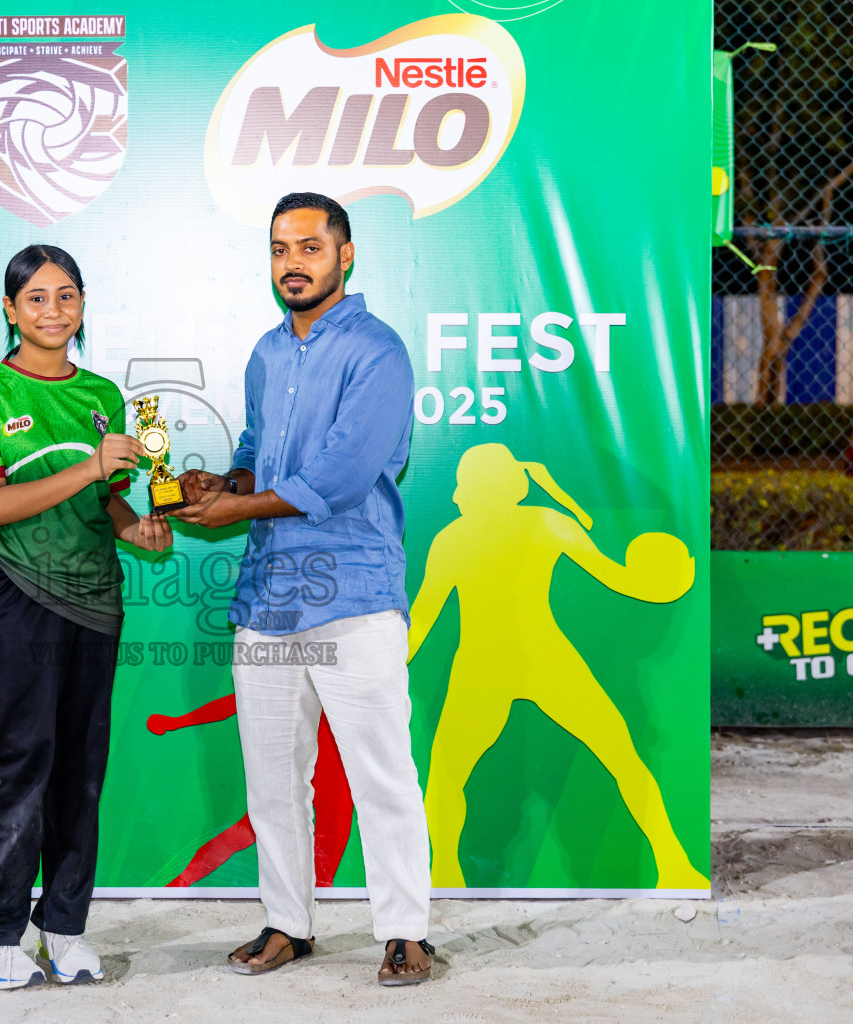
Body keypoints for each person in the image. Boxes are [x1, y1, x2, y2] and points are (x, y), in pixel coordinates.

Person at [174, 193, 434, 985]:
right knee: (272, 776)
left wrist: (235, 507)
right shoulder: (266, 353)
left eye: (311, 248)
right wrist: (222, 482)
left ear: (344, 256)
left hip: (353, 594)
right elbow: (258, 450)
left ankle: (406, 932)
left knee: (380, 772)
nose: (294, 263)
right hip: (268, 598)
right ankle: (288, 922)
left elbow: (342, 476)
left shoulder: (378, 351)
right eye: (281, 249)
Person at [0, 243, 173, 990]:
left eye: (67, 296)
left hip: (95, 600)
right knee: (17, 763)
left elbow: (106, 502)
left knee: (80, 772)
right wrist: (90, 466)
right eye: (37, 298)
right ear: (10, 310)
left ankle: (62, 928)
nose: (54, 311)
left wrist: (137, 528)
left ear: (83, 305)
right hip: (16, 594)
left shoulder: (105, 395)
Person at [407, 442, 707, 890]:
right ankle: (674, 863)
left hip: (489, 665)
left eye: (464, 486)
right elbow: (620, 578)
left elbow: (421, 621)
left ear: (470, 489)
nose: (457, 496)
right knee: (621, 757)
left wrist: (386, 666)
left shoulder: (453, 538)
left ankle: (444, 873)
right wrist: (668, 580)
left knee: (446, 774)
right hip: (539, 657)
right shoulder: (544, 521)